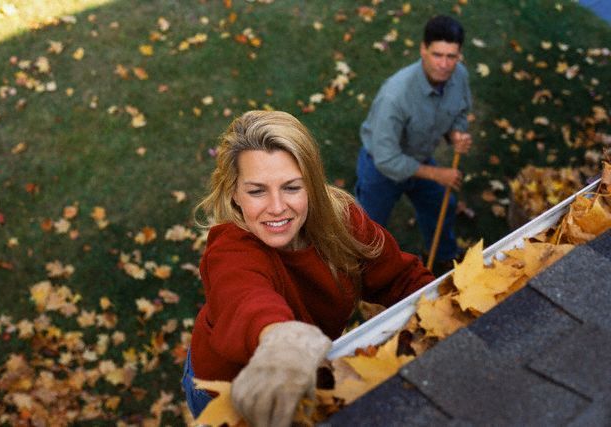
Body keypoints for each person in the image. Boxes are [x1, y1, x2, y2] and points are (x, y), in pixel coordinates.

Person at [182, 110, 435, 426]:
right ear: (234, 193)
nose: (276, 207)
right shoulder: (230, 249)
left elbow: (401, 277)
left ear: (312, 185)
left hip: (304, 376)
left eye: (291, 187)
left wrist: (442, 313)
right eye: (257, 190)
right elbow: (245, 298)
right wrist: (283, 341)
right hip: (227, 389)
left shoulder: (342, 222)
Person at [354, 15, 473, 275]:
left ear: (459, 54)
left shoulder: (459, 76)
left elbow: (462, 111)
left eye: (451, 57)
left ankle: (441, 258)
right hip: (380, 169)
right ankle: (358, 276)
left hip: (418, 157)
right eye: (437, 55)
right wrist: (436, 174)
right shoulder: (395, 96)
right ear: (423, 49)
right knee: (366, 231)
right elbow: (387, 158)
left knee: (443, 205)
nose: (444, 65)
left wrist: (456, 134)